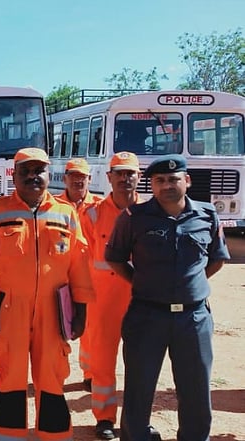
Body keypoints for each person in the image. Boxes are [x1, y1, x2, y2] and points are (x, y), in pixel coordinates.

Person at [0, 147, 93, 441]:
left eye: (39, 171)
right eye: (25, 171)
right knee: (10, 372)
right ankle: (7, 435)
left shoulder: (66, 213)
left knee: (52, 373)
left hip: (55, 310)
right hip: (12, 307)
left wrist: (81, 312)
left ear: (49, 175)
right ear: (14, 175)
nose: (32, 177)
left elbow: (79, 266)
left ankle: (54, 435)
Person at [106, 154, 230, 441]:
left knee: (196, 386)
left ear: (186, 181)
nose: (167, 185)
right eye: (160, 180)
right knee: (139, 385)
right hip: (147, 315)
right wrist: (145, 283)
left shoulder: (207, 215)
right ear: (151, 184)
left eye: (173, 179)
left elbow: (217, 259)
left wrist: (190, 285)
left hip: (193, 318)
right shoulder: (133, 218)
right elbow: (115, 258)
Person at [78, 152, 142, 440]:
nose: (125, 178)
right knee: (103, 360)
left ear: (139, 177)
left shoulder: (151, 212)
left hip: (142, 299)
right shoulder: (92, 214)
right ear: (109, 177)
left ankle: (137, 419)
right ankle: (104, 417)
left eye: (130, 173)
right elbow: (79, 259)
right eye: (119, 173)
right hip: (102, 299)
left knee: (141, 361)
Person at [54, 157, 101, 390]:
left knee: (90, 328)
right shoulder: (53, 206)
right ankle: (56, 372)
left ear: (90, 179)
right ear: (65, 179)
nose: (78, 181)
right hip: (62, 277)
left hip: (90, 278)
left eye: (82, 177)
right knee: (57, 326)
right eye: (73, 176)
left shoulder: (99, 207)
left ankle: (90, 373)